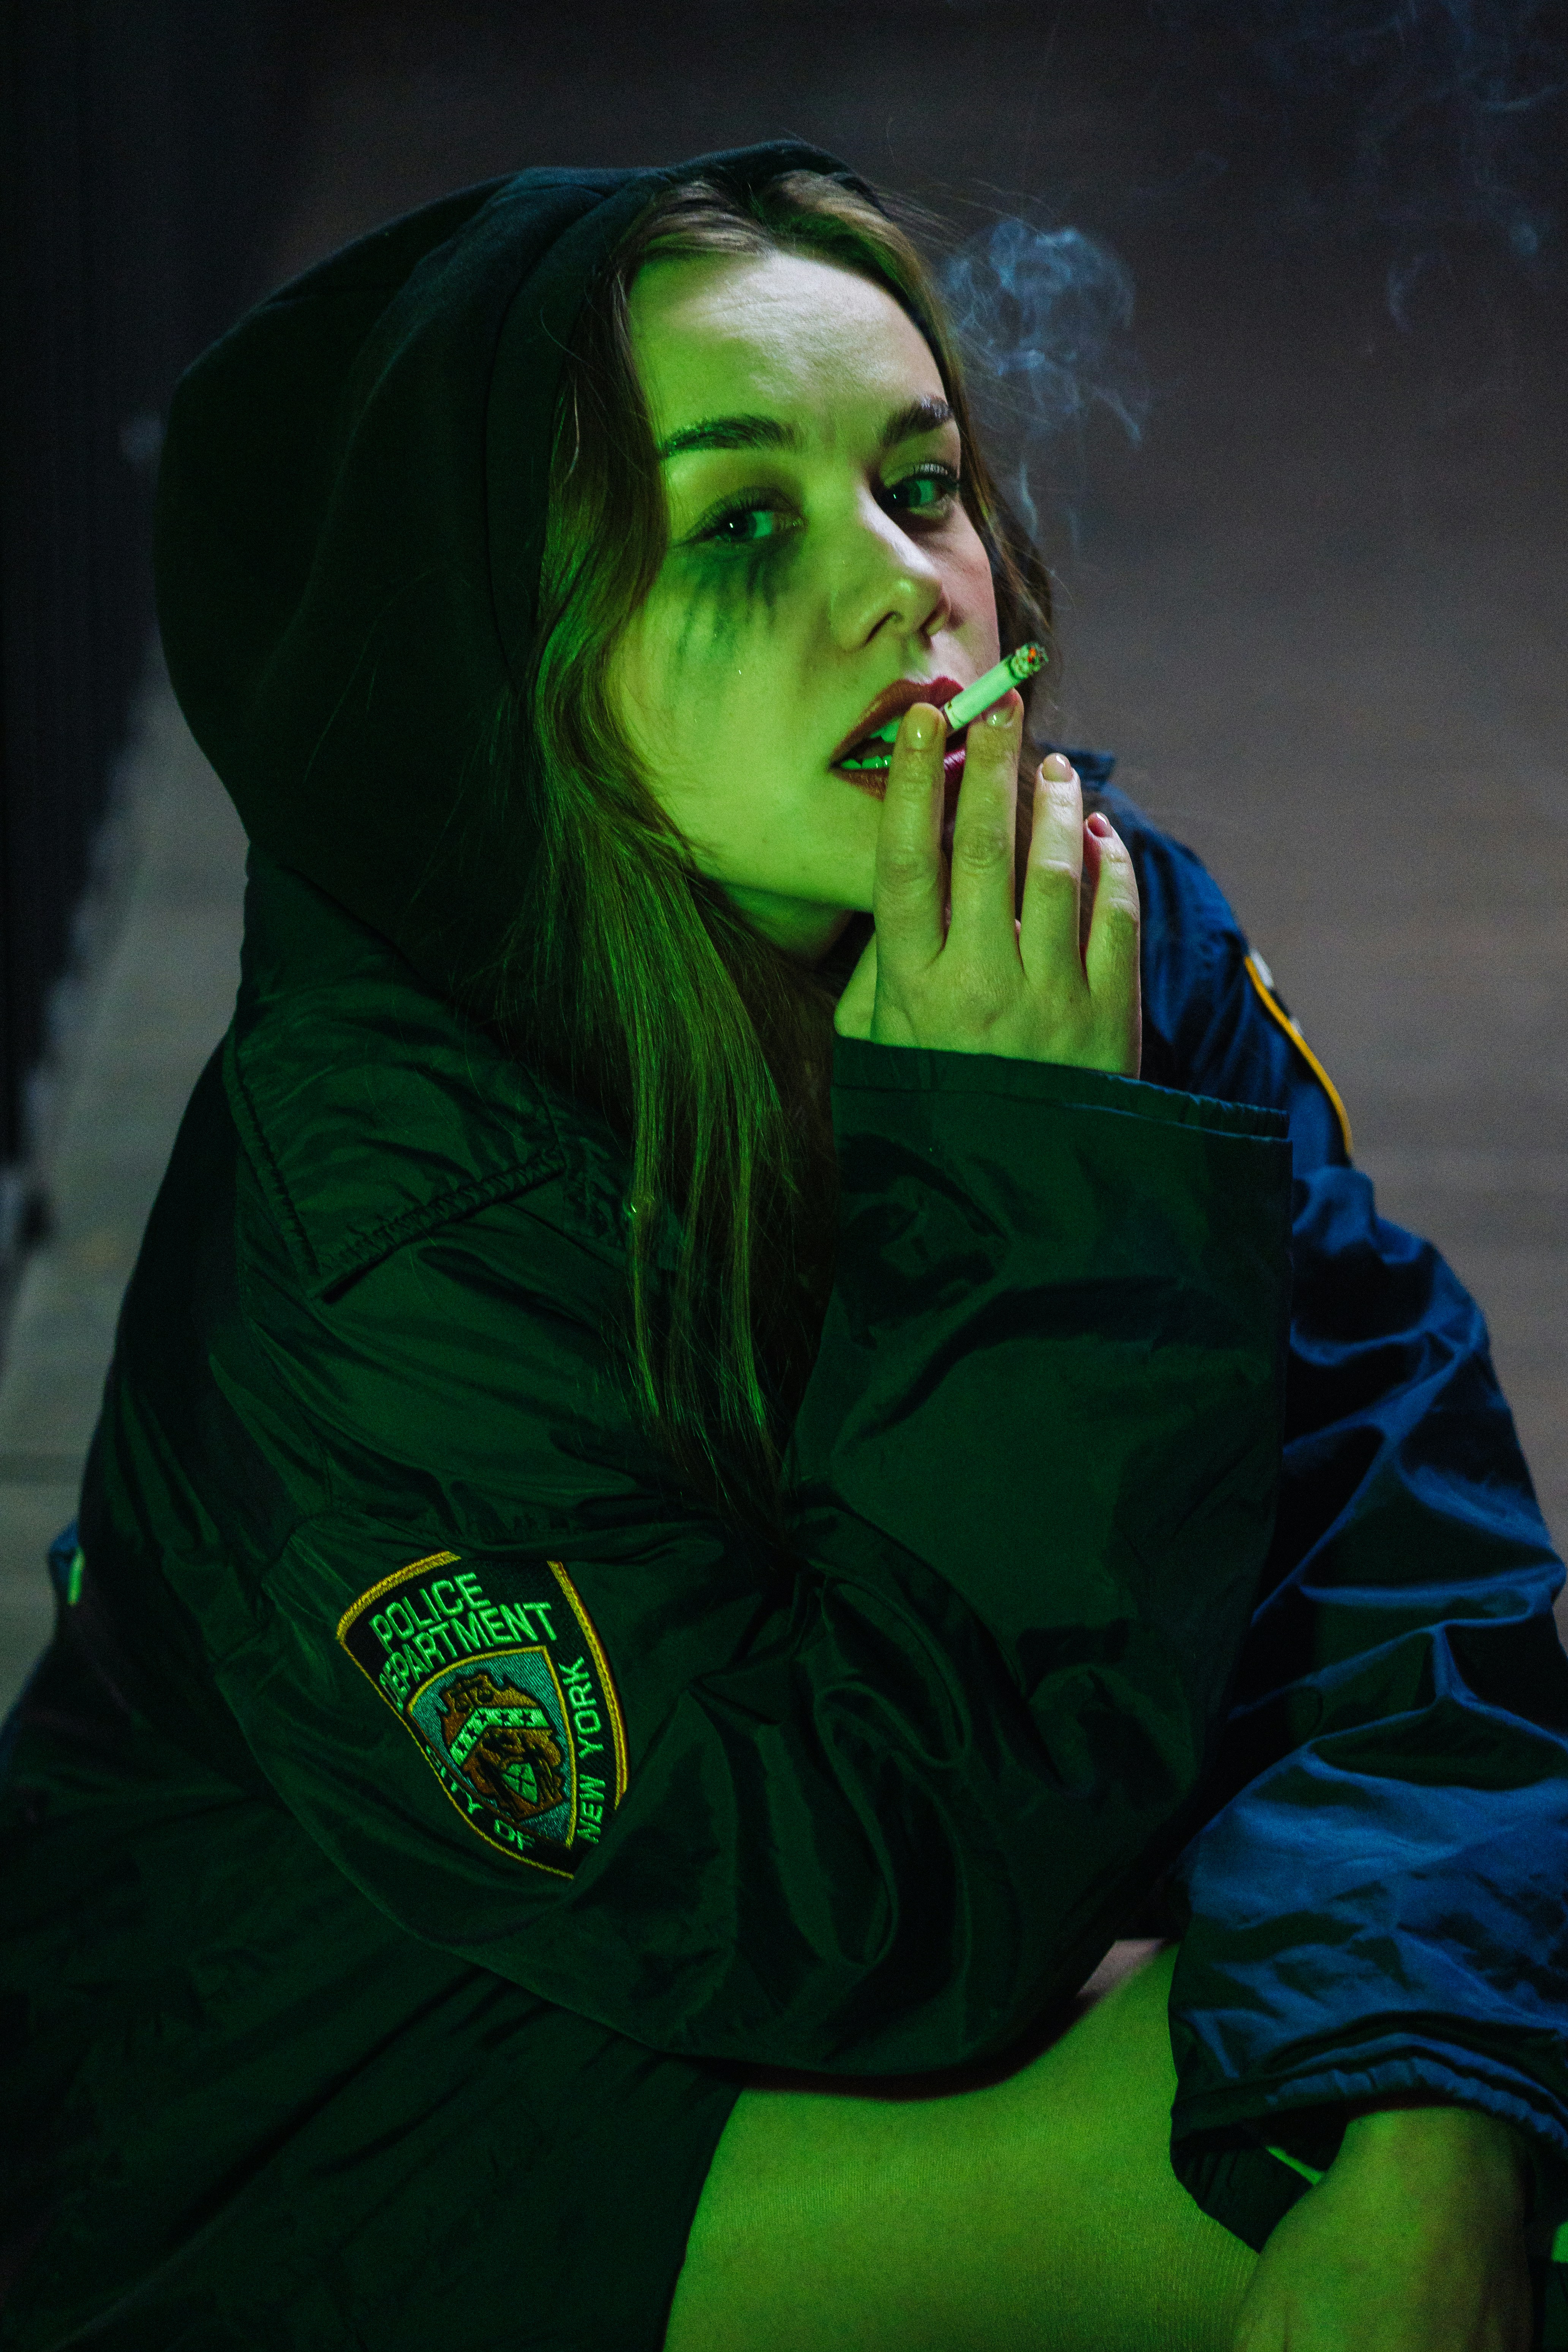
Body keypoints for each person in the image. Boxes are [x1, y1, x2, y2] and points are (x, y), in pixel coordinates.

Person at [2, 139, 1566, 2352]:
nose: (905, 585)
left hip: (875, 1934)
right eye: (741, 527)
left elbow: (1405, 1557)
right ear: (507, 680)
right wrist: (1026, 1183)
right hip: (337, 2118)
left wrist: (1433, 2127)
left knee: (1466, 2097)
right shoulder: (383, 1224)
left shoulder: (1077, 932)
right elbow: (872, 1932)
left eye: (920, 485)